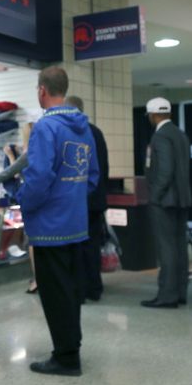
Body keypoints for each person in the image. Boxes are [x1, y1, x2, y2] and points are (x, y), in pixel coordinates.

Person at [17, 66, 99, 376]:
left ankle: (66, 358)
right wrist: (73, 198)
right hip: (76, 224)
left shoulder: (45, 128)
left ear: (42, 91)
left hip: (49, 227)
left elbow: (38, 178)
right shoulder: (83, 127)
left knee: (54, 294)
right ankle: (70, 348)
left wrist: (24, 201)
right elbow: (91, 177)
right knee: (71, 292)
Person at [142, 97, 191, 309]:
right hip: (181, 199)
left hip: (164, 201)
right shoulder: (180, 135)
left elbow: (165, 170)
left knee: (167, 248)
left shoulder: (160, 136)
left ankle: (167, 295)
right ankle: (180, 292)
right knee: (179, 246)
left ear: (153, 115)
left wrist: (155, 196)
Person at [0, 122, 37, 293]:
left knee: (32, 242)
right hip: (43, 205)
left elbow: (11, 173)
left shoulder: (31, 153)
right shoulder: (43, 151)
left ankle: (38, 279)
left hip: (31, 203)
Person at [66, 95, 109, 302]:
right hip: (97, 199)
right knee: (93, 245)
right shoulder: (96, 132)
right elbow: (103, 168)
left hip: (79, 200)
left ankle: (81, 289)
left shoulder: (73, 133)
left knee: (78, 247)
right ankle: (95, 287)